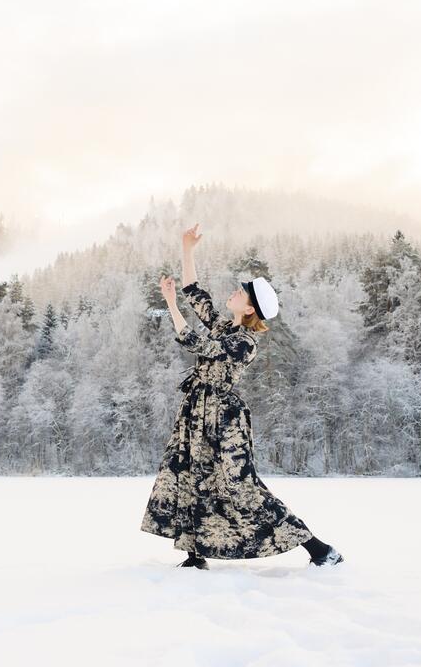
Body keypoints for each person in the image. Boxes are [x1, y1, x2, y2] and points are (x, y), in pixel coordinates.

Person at [140, 223, 344, 570]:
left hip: (223, 418)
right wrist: (187, 249)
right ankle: (195, 555)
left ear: (249, 309)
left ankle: (320, 550)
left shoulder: (244, 343)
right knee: (191, 474)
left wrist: (171, 307)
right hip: (197, 410)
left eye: (240, 293)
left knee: (242, 486)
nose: (233, 293)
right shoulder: (225, 325)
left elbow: (197, 344)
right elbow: (194, 291)